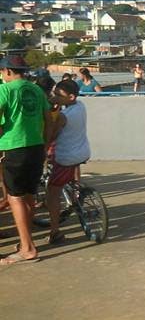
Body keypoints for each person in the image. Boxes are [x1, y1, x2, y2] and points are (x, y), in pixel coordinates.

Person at [0, 55, 53, 265]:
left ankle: (28, 249)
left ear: (7, 71)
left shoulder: (5, 90)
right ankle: (25, 243)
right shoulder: (37, 90)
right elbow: (48, 120)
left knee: (15, 198)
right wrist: (45, 145)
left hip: (14, 148)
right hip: (36, 147)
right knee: (29, 197)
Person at [44, 78, 91, 245]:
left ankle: (55, 231)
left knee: (52, 192)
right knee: (69, 179)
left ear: (71, 97)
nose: (55, 97)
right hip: (82, 152)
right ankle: (74, 197)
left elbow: (52, 135)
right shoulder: (80, 106)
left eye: (59, 95)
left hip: (66, 157)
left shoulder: (64, 116)